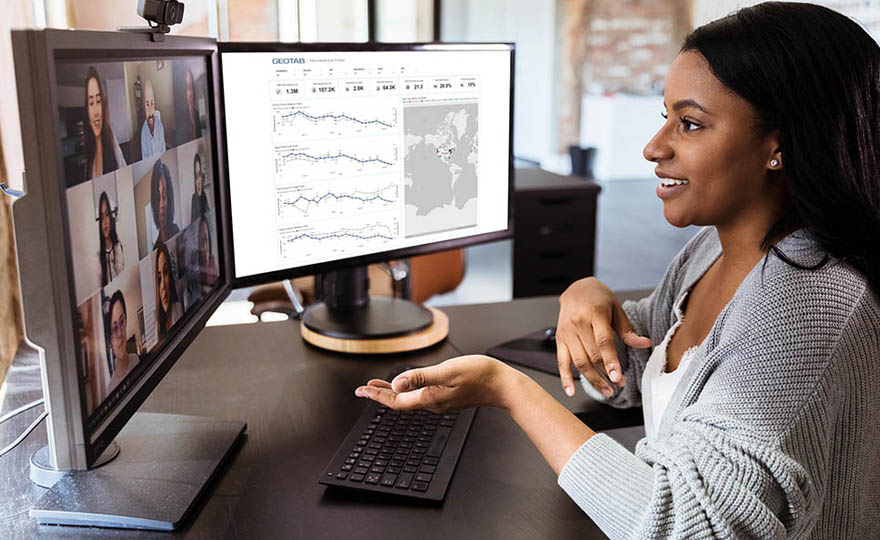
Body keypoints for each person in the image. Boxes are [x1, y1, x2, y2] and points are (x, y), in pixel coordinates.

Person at [355, 3, 880, 538]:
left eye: (691, 124)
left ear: (779, 146)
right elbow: (630, 371)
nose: (654, 147)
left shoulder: (810, 303)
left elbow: (684, 527)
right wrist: (586, 296)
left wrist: (507, 388)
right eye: (665, 118)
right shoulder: (712, 252)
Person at [83, 66, 126, 180]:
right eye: (91, 103)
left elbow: (124, 176)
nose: (96, 112)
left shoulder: (112, 143)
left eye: (98, 101)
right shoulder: (88, 155)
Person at [105, 290, 139, 395]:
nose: (120, 333)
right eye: (114, 327)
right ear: (109, 339)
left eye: (122, 322)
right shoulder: (110, 389)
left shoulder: (136, 359)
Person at [155, 243, 183, 339]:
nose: (163, 286)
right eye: (159, 278)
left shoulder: (179, 308)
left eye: (166, 272)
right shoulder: (156, 329)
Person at [151, 159, 180, 250]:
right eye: (157, 198)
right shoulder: (155, 248)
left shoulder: (177, 234)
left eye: (164, 196)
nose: (161, 205)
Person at [97, 191, 124, 287]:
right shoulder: (98, 256)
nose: (105, 222)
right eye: (101, 217)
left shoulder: (118, 247)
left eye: (107, 215)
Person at [140, 79, 166, 158]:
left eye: (152, 103)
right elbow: (145, 157)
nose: (150, 110)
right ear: (144, 107)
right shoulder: (143, 132)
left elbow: (163, 149)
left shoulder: (160, 125)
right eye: (147, 104)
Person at [190, 151, 208, 222]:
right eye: (196, 176)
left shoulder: (204, 195)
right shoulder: (194, 198)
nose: (198, 182)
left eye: (199, 175)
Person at [184, 69, 201, 140]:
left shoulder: (200, 115)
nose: (192, 94)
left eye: (193, 88)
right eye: (189, 88)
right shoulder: (182, 120)